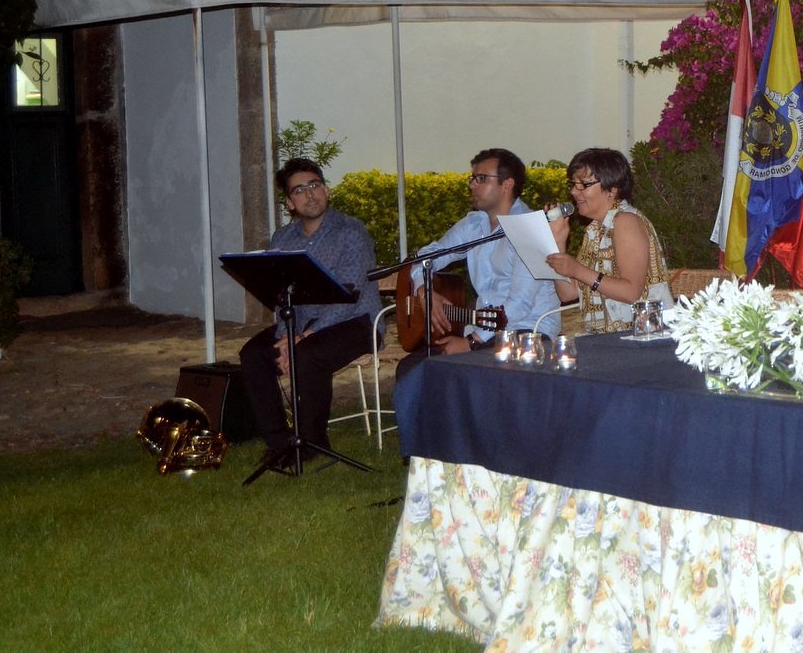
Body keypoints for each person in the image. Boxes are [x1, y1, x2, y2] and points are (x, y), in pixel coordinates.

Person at [238, 158, 381, 467]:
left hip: (356, 322)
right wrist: (284, 337)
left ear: (326, 191)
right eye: (299, 190)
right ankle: (280, 443)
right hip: (301, 324)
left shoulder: (351, 232)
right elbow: (279, 297)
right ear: (290, 203)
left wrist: (301, 339)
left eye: (314, 185)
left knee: (308, 355)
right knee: (254, 355)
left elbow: (349, 296)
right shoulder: (282, 239)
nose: (310, 194)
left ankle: (312, 443)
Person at [396, 148, 562, 382]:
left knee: (460, 375)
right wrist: (425, 291)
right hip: (485, 332)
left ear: (507, 184)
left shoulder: (530, 229)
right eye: (472, 178)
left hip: (528, 332)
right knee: (410, 369)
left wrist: (471, 342)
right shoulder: (473, 225)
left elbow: (519, 306)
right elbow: (425, 257)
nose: (472, 185)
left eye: (481, 179)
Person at [545, 147, 671, 333]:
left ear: (612, 189)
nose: (574, 192)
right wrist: (558, 243)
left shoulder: (626, 221)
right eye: (573, 184)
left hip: (639, 336)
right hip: (603, 338)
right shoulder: (595, 229)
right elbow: (567, 293)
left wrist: (578, 270)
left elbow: (631, 292)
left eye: (584, 185)